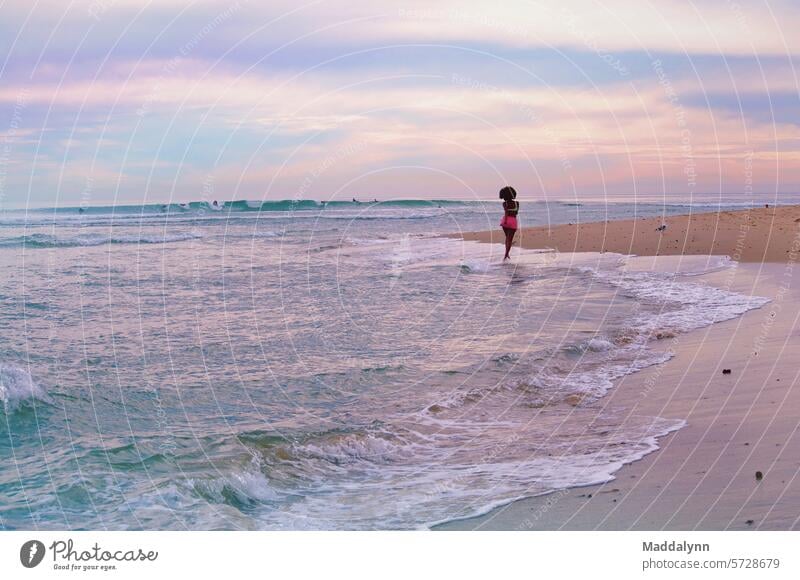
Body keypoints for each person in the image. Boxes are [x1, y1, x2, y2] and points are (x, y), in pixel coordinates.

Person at [499, 186, 519, 260]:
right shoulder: (517, 203)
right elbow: (516, 212)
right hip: (513, 221)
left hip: (505, 221)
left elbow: (506, 212)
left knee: (507, 238)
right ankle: (506, 254)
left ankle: (507, 253)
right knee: (509, 239)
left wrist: (506, 221)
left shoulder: (505, 203)